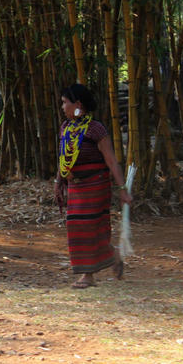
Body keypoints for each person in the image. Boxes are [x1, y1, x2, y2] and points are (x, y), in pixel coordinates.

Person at [55, 83, 132, 288]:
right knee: (76, 226)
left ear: (78, 104)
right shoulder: (66, 128)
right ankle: (113, 255)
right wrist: (59, 182)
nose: (62, 107)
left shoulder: (95, 129)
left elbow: (111, 160)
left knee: (89, 226)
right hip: (75, 186)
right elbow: (63, 158)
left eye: (65, 103)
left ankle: (87, 276)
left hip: (96, 184)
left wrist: (122, 189)